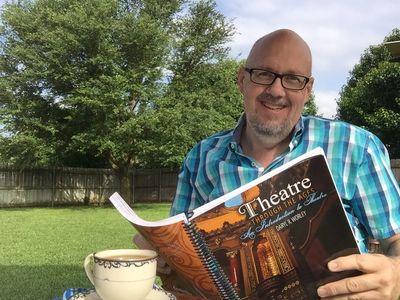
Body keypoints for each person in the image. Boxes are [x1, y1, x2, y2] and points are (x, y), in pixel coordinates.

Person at [137, 29, 400, 299]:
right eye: (263, 74)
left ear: (307, 89)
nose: (276, 90)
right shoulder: (202, 158)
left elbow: (396, 237)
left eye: (293, 79)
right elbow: (183, 262)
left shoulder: (355, 146)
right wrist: (165, 259)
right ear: (242, 80)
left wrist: (396, 273)